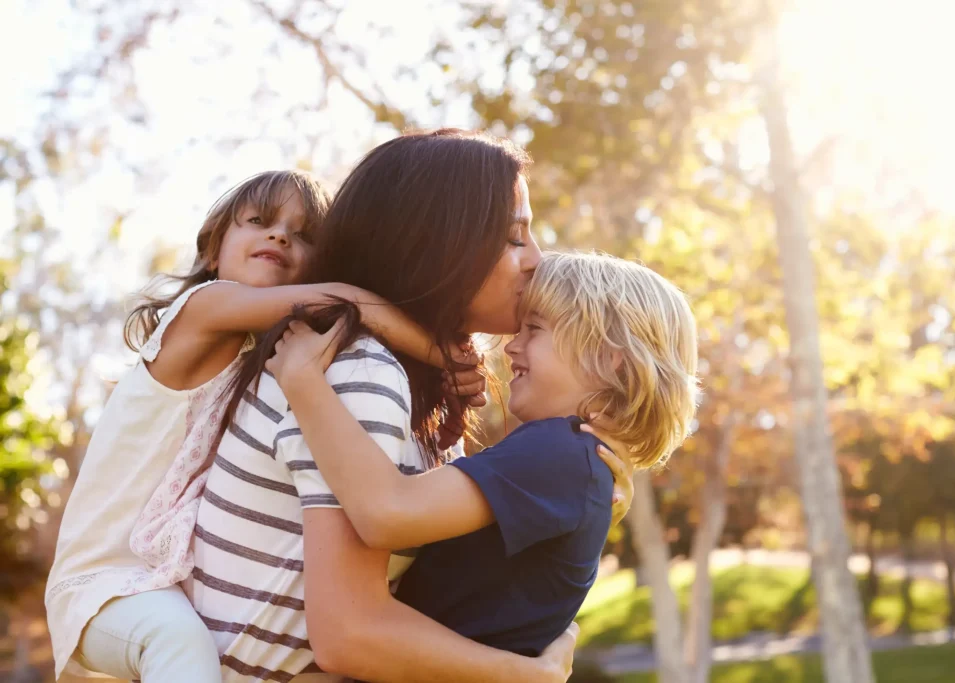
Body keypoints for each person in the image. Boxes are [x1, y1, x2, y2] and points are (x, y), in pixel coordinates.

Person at [191, 129, 633, 683]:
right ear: (439, 242)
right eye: (514, 236)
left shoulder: (396, 379)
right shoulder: (358, 372)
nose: (536, 260)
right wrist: (527, 676)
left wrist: (574, 498)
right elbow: (351, 636)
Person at [44, 170, 467, 683]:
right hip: (102, 583)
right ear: (211, 251)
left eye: (304, 233)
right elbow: (345, 303)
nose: (280, 236)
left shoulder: (266, 358)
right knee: (177, 643)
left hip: (165, 579)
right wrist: (446, 359)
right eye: (260, 221)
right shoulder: (201, 309)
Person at [270, 250, 700, 658]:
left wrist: (303, 380)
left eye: (535, 329)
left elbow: (386, 512)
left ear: (610, 360)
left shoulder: (559, 451)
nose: (511, 346)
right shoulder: (578, 461)